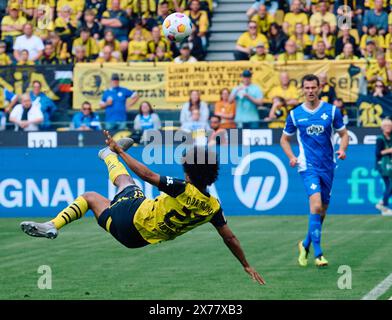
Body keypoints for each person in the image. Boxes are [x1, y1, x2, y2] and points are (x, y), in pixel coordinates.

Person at [20, 132, 266, 285]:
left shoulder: (181, 188)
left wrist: (121, 152)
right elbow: (230, 238)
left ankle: (53, 223)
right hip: (135, 240)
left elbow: (148, 173)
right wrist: (245, 264)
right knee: (126, 185)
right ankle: (108, 155)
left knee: (92, 195)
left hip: (134, 216)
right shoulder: (214, 208)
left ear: (188, 173)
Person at [280, 74, 349, 267]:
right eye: (307, 88)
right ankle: (318, 254)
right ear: (302, 89)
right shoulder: (295, 114)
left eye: (313, 87)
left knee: (322, 212)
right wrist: (292, 157)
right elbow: (284, 139)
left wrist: (343, 149)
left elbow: (344, 135)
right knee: (316, 205)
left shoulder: (332, 111)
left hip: (327, 166)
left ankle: (305, 244)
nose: (310, 91)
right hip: (307, 165)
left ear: (319, 88)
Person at [375, 117, 392, 216]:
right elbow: (378, 153)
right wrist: (389, 150)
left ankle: (382, 205)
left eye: (389, 125)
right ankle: (383, 204)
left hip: (390, 164)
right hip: (382, 165)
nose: (388, 127)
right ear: (382, 127)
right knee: (389, 184)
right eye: (385, 126)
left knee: (389, 186)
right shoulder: (380, 139)